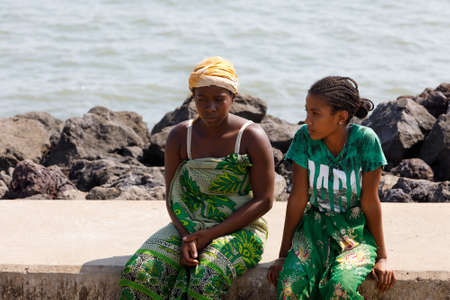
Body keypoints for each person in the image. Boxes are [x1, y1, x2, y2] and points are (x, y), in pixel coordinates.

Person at [119, 56, 274, 300]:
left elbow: (264, 200)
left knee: (206, 276)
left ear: (233, 98)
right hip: (188, 224)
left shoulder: (251, 137)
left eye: (219, 100)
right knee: (141, 271)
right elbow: (172, 196)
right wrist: (186, 237)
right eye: (202, 99)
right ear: (193, 99)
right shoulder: (181, 136)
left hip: (241, 228)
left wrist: (209, 236)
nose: (210, 107)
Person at [267, 76, 396, 299]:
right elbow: (298, 198)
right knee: (289, 286)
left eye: (315, 114)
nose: (307, 120)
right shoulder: (304, 139)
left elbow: (370, 201)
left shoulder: (365, 141)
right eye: (307, 112)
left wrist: (383, 257)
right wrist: (282, 255)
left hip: (355, 235)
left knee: (340, 287)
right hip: (313, 230)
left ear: (341, 117)